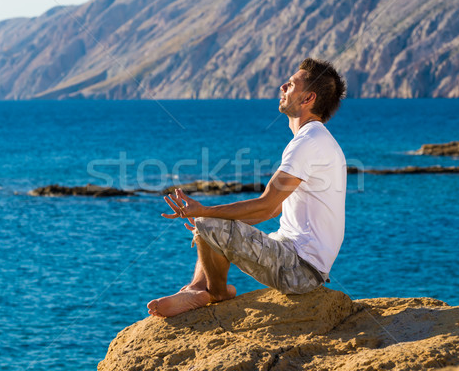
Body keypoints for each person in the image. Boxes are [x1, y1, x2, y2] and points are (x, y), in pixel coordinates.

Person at [147, 58, 347, 317]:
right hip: (296, 260)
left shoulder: (308, 142)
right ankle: (199, 287)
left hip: (301, 271)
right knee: (208, 223)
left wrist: (205, 212)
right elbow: (270, 212)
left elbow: (265, 203)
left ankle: (215, 293)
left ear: (308, 98)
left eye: (291, 84)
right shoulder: (315, 139)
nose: (282, 86)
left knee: (208, 220)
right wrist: (208, 223)